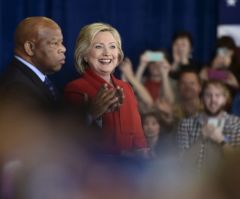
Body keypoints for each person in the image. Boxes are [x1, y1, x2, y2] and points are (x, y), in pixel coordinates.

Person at [64, 22, 148, 156]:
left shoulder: (126, 88)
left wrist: (143, 152)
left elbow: (138, 137)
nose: (107, 53)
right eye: (98, 47)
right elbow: (70, 140)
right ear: (84, 54)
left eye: (112, 47)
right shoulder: (75, 89)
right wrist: (92, 113)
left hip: (131, 170)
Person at [0, 17, 66, 110]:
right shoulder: (17, 89)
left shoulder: (35, 79)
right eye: (54, 43)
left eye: (61, 42)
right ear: (30, 48)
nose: (63, 49)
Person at [177, 80, 240, 172]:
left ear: (225, 100)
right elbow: (182, 162)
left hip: (225, 182)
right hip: (195, 182)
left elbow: (237, 162)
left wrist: (222, 140)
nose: (213, 100)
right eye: (208, 95)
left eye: (218, 95)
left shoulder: (236, 123)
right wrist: (200, 139)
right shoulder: (186, 124)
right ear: (202, 99)